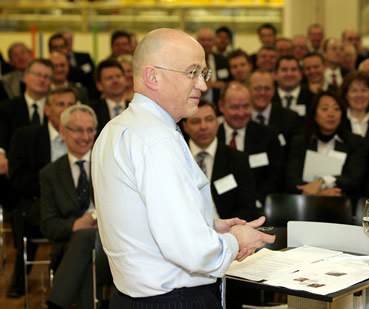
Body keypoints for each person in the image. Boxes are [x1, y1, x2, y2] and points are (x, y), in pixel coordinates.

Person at [91, 28, 274, 308]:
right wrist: (236, 240)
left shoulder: (115, 129)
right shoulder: (157, 139)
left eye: (204, 74)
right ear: (152, 76)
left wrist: (209, 226)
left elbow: (141, 220)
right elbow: (190, 249)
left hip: (130, 298)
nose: (202, 85)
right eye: (192, 73)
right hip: (174, 300)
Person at [6, 86, 76, 298]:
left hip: (76, 203)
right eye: (60, 104)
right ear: (47, 109)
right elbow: (18, 180)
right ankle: (22, 274)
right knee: (27, 213)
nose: (66, 110)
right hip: (39, 200)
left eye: (71, 105)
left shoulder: (86, 135)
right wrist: (52, 183)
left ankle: (71, 278)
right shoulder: (25, 136)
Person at [41, 104, 99, 309]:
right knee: (83, 247)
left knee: (85, 241)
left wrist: (92, 218)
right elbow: (48, 226)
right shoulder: (50, 174)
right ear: (63, 132)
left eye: (90, 130)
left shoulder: (109, 164)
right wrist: (76, 225)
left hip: (109, 245)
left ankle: (56, 304)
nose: (85, 136)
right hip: (69, 251)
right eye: (78, 130)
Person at [285, 90, 368, 203]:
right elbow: (291, 179)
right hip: (305, 204)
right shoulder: (300, 142)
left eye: (336, 109)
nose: (331, 114)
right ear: (314, 115)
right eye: (325, 109)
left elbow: (353, 179)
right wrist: (319, 194)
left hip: (342, 204)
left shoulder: (355, 142)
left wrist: (322, 181)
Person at [182, 100, 257, 221]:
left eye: (209, 119)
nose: (203, 126)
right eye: (196, 121)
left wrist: (227, 229)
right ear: (185, 127)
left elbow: (248, 208)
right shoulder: (177, 157)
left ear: (217, 122)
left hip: (227, 231)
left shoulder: (238, 159)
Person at [218, 81, 285, 206]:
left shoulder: (268, 135)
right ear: (221, 106)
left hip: (259, 207)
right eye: (235, 107)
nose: (241, 113)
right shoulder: (213, 137)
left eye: (246, 106)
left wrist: (255, 202)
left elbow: (276, 177)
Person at [90, 60, 128, 133]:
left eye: (118, 76)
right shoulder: (92, 111)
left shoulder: (136, 108)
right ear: (99, 85)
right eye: (109, 78)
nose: (115, 81)